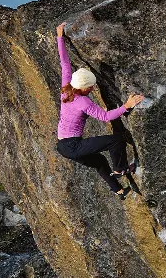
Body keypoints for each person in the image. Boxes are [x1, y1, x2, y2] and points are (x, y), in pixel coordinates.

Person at [55, 23, 145, 197]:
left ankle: (119, 190)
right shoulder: (83, 102)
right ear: (83, 88)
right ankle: (120, 169)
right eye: (90, 87)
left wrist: (60, 37)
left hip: (62, 146)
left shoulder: (66, 88)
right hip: (73, 145)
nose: (93, 88)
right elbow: (105, 117)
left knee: (99, 161)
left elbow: (64, 64)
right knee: (116, 140)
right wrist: (126, 106)